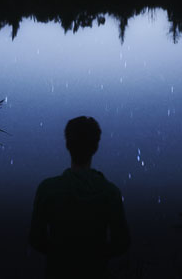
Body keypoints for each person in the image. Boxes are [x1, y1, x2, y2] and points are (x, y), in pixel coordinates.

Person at [29, 116, 130, 278]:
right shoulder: (110, 192)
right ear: (96, 146)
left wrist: (61, 253)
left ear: (67, 144)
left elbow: (35, 239)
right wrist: (95, 254)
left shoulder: (48, 189)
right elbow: (122, 242)